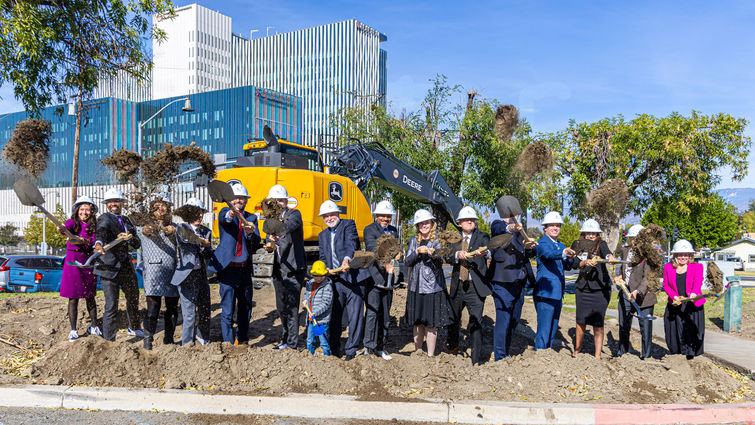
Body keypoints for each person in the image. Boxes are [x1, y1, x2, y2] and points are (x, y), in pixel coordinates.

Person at [209, 182, 260, 344]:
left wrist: (251, 234)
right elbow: (225, 220)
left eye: (242, 198)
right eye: (236, 198)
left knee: (245, 306)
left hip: (244, 269)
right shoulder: (226, 212)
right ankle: (228, 342)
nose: (239, 201)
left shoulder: (251, 218)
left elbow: (256, 241)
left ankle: (242, 339)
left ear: (246, 200)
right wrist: (232, 214)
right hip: (228, 269)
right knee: (228, 308)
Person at [488, 196, 537, 360]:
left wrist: (529, 247)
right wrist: (511, 227)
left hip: (519, 283)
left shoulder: (521, 233)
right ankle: (500, 356)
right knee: (503, 319)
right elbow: (500, 229)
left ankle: (506, 350)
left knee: (514, 319)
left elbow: (526, 254)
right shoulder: (498, 225)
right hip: (502, 283)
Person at [93, 188, 142, 342]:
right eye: (110, 202)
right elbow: (100, 232)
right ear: (106, 204)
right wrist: (98, 243)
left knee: (133, 297)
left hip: (126, 266)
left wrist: (130, 239)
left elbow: (137, 242)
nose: (113, 204)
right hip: (109, 267)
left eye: (117, 201)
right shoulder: (105, 218)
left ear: (122, 203)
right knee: (111, 304)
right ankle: (109, 339)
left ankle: (134, 327)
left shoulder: (127, 221)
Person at [317, 200, 363, 360]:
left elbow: (351, 244)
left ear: (337, 214)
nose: (329, 218)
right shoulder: (322, 235)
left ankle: (351, 350)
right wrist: (324, 269)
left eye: (331, 214)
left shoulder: (348, 225)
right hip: (335, 281)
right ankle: (334, 349)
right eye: (326, 216)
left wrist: (346, 259)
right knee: (335, 316)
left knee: (355, 316)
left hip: (353, 280)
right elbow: (322, 257)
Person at [405, 209, 454, 357]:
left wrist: (433, 255)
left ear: (432, 224)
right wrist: (417, 252)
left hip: (432, 287)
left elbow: (441, 261)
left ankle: (430, 355)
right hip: (416, 286)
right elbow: (407, 261)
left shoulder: (437, 241)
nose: (424, 225)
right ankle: (417, 353)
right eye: (421, 223)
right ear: (417, 226)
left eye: (427, 222)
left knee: (431, 324)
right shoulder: (414, 240)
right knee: (417, 322)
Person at [447, 206, 490, 364]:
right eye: (466, 220)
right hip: (458, 286)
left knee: (476, 322)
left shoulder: (482, 236)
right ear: (459, 223)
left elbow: (488, 249)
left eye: (472, 219)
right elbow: (447, 256)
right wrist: (457, 255)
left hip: (475, 287)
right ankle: (452, 348)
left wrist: (485, 253)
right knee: (453, 318)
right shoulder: (454, 239)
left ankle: (476, 359)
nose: (469, 221)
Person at [267, 184, 306, 351]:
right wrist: (268, 244)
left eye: (281, 200)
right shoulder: (270, 219)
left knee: (291, 307)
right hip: (277, 268)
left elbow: (290, 225)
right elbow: (268, 237)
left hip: (293, 269)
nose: (278, 203)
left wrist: (277, 233)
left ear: (285, 201)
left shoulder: (293, 214)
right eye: (275, 200)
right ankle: (284, 339)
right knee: (281, 306)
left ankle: (291, 344)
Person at [137, 195, 179, 350]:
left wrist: (173, 231)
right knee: (153, 307)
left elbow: (179, 238)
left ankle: (169, 340)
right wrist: (153, 228)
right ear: (152, 210)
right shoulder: (145, 226)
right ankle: (148, 342)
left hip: (171, 271)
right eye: (157, 206)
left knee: (172, 307)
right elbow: (144, 231)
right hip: (153, 271)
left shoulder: (173, 226)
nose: (161, 209)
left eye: (164, 206)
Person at [361, 200, 400, 360]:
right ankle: (368, 347)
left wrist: (399, 253)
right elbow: (373, 250)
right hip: (374, 277)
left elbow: (396, 248)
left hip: (389, 280)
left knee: (385, 314)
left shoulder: (394, 230)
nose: (385, 218)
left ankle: (381, 347)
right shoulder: (370, 229)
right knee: (372, 312)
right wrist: (386, 264)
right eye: (382, 215)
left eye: (388, 216)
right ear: (376, 215)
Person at [571, 219, 615, 359]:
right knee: (580, 320)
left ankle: (597, 355)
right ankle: (577, 350)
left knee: (598, 322)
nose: (590, 236)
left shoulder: (601, 244)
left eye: (593, 233)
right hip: (583, 288)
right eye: (588, 233)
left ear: (597, 234)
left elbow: (607, 252)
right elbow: (573, 263)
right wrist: (583, 262)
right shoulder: (577, 244)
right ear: (583, 233)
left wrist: (610, 257)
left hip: (600, 289)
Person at [58, 196, 100, 342]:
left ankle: (94, 326)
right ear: (77, 211)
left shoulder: (94, 226)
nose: (84, 212)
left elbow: (96, 242)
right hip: (73, 262)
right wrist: (62, 230)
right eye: (82, 209)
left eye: (87, 210)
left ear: (92, 212)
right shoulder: (71, 223)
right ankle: (73, 330)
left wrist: (87, 241)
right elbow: (64, 230)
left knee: (90, 296)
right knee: (73, 298)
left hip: (88, 261)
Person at [172, 198, 213, 346]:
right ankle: (187, 343)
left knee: (205, 308)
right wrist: (200, 241)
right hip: (186, 275)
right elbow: (186, 239)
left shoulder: (206, 231)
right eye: (196, 212)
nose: (199, 215)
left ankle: (203, 338)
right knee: (189, 313)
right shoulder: (181, 228)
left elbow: (208, 253)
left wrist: (205, 247)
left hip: (200, 275)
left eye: (201, 212)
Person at [533, 211, 576, 351]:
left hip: (557, 292)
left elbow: (566, 266)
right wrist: (564, 253)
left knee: (552, 327)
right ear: (545, 228)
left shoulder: (561, 245)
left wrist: (570, 257)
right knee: (544, 328)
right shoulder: (540, 243)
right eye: (552, 225)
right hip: (545, 292)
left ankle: (548, 353)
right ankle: (541, 353)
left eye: (558, 225)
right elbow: (549, 254)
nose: (555, 228)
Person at [615, 224, 655, 358]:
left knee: (645, 328)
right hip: (626, 293)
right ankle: (622, 351)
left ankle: (646, 355)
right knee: (624, 324)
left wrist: (638, 290)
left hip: (643, 297)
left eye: (638, 238)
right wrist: (619, 276)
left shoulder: (649, 254)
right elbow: (621, 268)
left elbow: (648, 277)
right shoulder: (625, 251)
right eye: (633, 238)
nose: (635, 241)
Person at [663, 239, 705, 359]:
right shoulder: (668, 267)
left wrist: (694, 293)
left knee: (690, 332)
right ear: (675, 255)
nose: (683, 257)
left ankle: (691, 356)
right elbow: (665, 284)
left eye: (685, 254)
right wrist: (674, 296)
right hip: (676, 304)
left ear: (690, 255)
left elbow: (698, 281)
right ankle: (677, 355)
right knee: (675, 331)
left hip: (691, 305)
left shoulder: (697, 267)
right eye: (680, 254)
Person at [302, 261, 333, 356]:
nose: (319, 278)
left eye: (321, 276)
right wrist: (305, 300)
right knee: (310, 340)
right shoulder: (310, 283)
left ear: (325, 274)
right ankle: (309, 357)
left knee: (323, 341)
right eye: (316, 275)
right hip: (311, 319)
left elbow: (326, 303)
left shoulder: (327, 286)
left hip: (321, 320)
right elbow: (306, 295)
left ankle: (327, 358)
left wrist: (315, 312)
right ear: (312, 274)